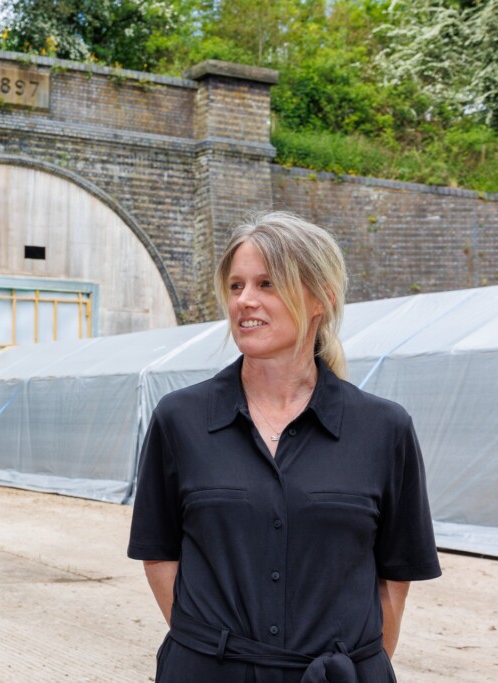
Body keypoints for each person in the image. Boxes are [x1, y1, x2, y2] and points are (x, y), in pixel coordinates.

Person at [128, 212, 441, 682]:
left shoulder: (383, 428)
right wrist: (218, 651)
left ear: (322, 298)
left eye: (267, 284)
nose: (244, 301)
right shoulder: (180, 420)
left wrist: (356, 660)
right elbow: (159, 554)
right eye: (236, 286)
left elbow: (395, 574)